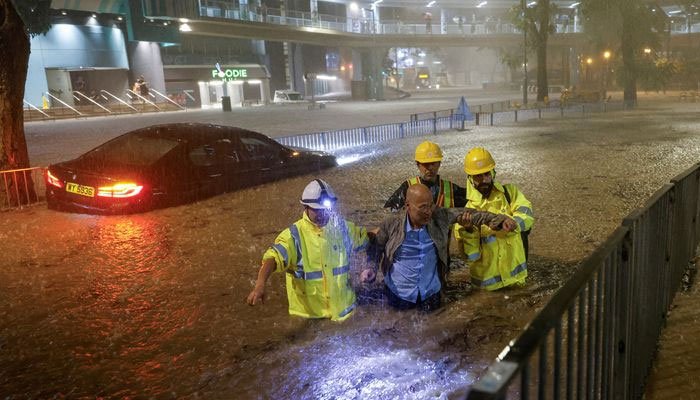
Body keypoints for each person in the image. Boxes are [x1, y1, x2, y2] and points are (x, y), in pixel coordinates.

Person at [362, 184, 503, 311]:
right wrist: (371, 267)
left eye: (431, 205)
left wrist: (498, 220)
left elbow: (472, 214)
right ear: (407, 205)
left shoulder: (439, 217)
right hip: (398, 295)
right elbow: (376, 247)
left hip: (431, 295)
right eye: (423, 207)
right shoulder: (391, 223)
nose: (428, 211)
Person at [246, 179, 368, 321]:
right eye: (317, 210)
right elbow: (272, 259)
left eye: (326, 209)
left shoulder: (343, 228)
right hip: (310, 318)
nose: (323, 214)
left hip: (345, 313)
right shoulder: (293, 236)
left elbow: (367, 239)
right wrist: (260, 284)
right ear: (305, 207)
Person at [455, 147, 534, 291]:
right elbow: (471, 257)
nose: (484, 179)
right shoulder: (466, 213)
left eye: (487, 174)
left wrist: (514, 223)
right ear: (470, 179)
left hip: (517, 281)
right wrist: (468, 230)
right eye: (478, 176)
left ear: (493, 172)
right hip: (487, 290)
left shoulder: (510, 193)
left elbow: (528, 215)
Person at [384, 141, 467, 211]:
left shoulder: (451, 189)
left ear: (439, 164)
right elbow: (389, 211)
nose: (430, 168)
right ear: (418, 165)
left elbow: (472, 200)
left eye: (433, 163)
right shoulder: (408, 187)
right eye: (426, 164)